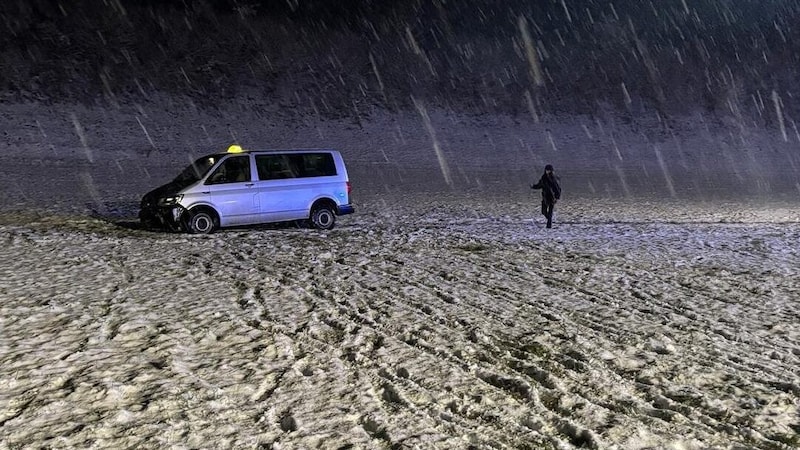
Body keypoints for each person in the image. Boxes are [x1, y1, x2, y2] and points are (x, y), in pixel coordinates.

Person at [531, 164, 561, 228]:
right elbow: (540, 185)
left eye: (549, 170)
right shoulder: (543, 177)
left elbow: (557, 188)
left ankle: (549, 226)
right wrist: (534, 186)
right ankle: (549, 220)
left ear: (551, 171)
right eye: (547, 170)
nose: (547, 171)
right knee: (543, 211)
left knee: (550, 212)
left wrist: (557, 197)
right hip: (545, 197)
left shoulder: (553, 179)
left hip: (552, 197)